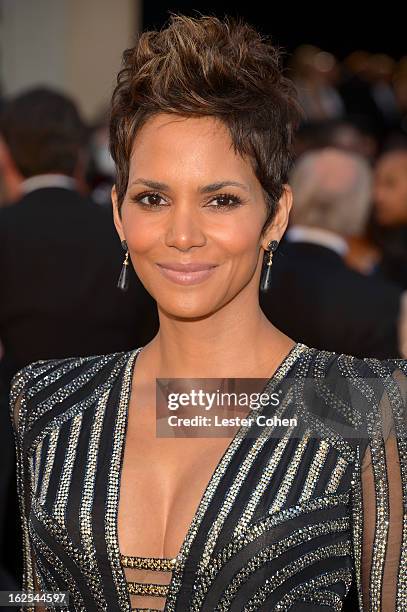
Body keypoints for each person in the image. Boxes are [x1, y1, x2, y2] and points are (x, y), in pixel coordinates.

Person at [9, 15, 407, 612]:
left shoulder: (361, 407)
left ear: (275, 216)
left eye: (221, 200)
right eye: (153, 198)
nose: (183, 235)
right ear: (118, 211)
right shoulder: (47, 401)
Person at [260, 147, 404, 359]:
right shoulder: (380, 301)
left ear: (290, 198)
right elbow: (380, 390)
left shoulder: (251, 273)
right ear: (360, 208)